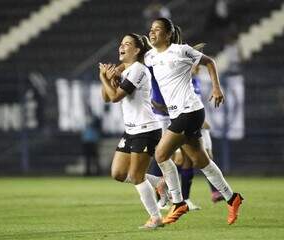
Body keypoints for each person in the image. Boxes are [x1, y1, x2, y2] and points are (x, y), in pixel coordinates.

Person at [144, 17, 243, 225]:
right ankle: (233, 198)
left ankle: (179, 202)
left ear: (169, 34)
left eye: (158, 29)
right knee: (202, 161)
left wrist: (216, 87)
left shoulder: (181, 51)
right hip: (178, 113)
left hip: (189, 112)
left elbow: (209, 62)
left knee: (161, 154)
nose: (152, 32)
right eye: (151, 29)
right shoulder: (151, 56)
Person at [99, 33, 164, 229]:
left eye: (127, 44)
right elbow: (106, 98)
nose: (122, 46)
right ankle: (160, 182)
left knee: (136, 176)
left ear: (136, 50)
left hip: (146, 130)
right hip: (131, 131)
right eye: (121, 43)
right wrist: (108, 79)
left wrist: (104, 78)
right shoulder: (123, 70)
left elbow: (116, 97)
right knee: (118, 173)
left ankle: (156, 218)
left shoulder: (138, 70)